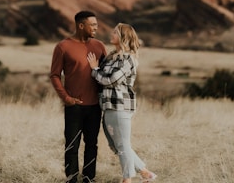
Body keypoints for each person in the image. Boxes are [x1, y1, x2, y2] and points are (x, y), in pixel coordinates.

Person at [87, 23, 157, 183]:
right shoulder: (111, 57)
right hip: (108, 106)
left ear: (123, 38)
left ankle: (127, 179)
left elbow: (111, 80)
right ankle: (146, 173)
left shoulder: (129, 59)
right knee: (116, 145)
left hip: (120, 106)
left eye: (115, 33)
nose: (111, 34)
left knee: (122, 144)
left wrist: (95, 70)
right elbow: (102, 78)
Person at [50, 10, 107, 183]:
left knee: (92, 145)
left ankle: (89, 179)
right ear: (81, 25)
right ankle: (71, 179)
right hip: (74, 106)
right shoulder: (63, 47)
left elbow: (107, 73)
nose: (96, 28)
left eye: (97, 24)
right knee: (72, 146)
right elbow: (54, 75)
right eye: (93, 25)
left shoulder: (99, 46)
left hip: (95, 106)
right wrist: (66, 98)